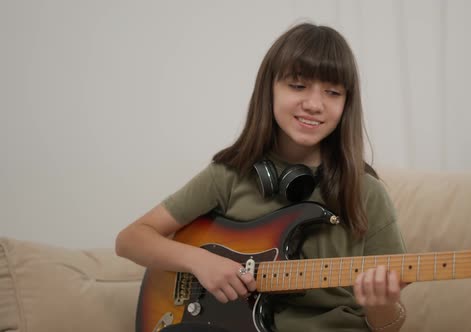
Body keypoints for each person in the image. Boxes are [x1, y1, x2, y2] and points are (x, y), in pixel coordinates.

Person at [116, 22, 407, 332]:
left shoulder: (367, 193)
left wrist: (382, 305)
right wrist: (200, 262)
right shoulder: (228, 175)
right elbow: (130, 240)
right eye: (297, 86)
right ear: (269, 88)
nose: (314, 104)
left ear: (346, 104)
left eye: (332, 92)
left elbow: (389, 325)